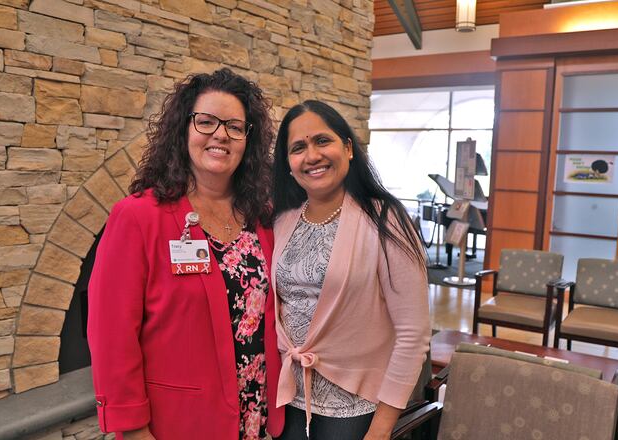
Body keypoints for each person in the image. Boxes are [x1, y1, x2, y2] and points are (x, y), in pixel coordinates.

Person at [87, 69, 284, 440]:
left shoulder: (263, 217)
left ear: (248, 140)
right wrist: (131, 429)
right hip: (179, 424)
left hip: (257, 416)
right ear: (183, 130)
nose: (220, 135)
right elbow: (110, 334)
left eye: (235, 127)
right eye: (206, 122)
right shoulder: (138, 217)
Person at [270, 100, 431, 440]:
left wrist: (382, 428)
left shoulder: (386, 219)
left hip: (355, 407)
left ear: (347, 147)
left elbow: (412, 333)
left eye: (322, 141)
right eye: (298, 148)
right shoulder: (282, 220)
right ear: (288, 164)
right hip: (288, 400)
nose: (311, 155)